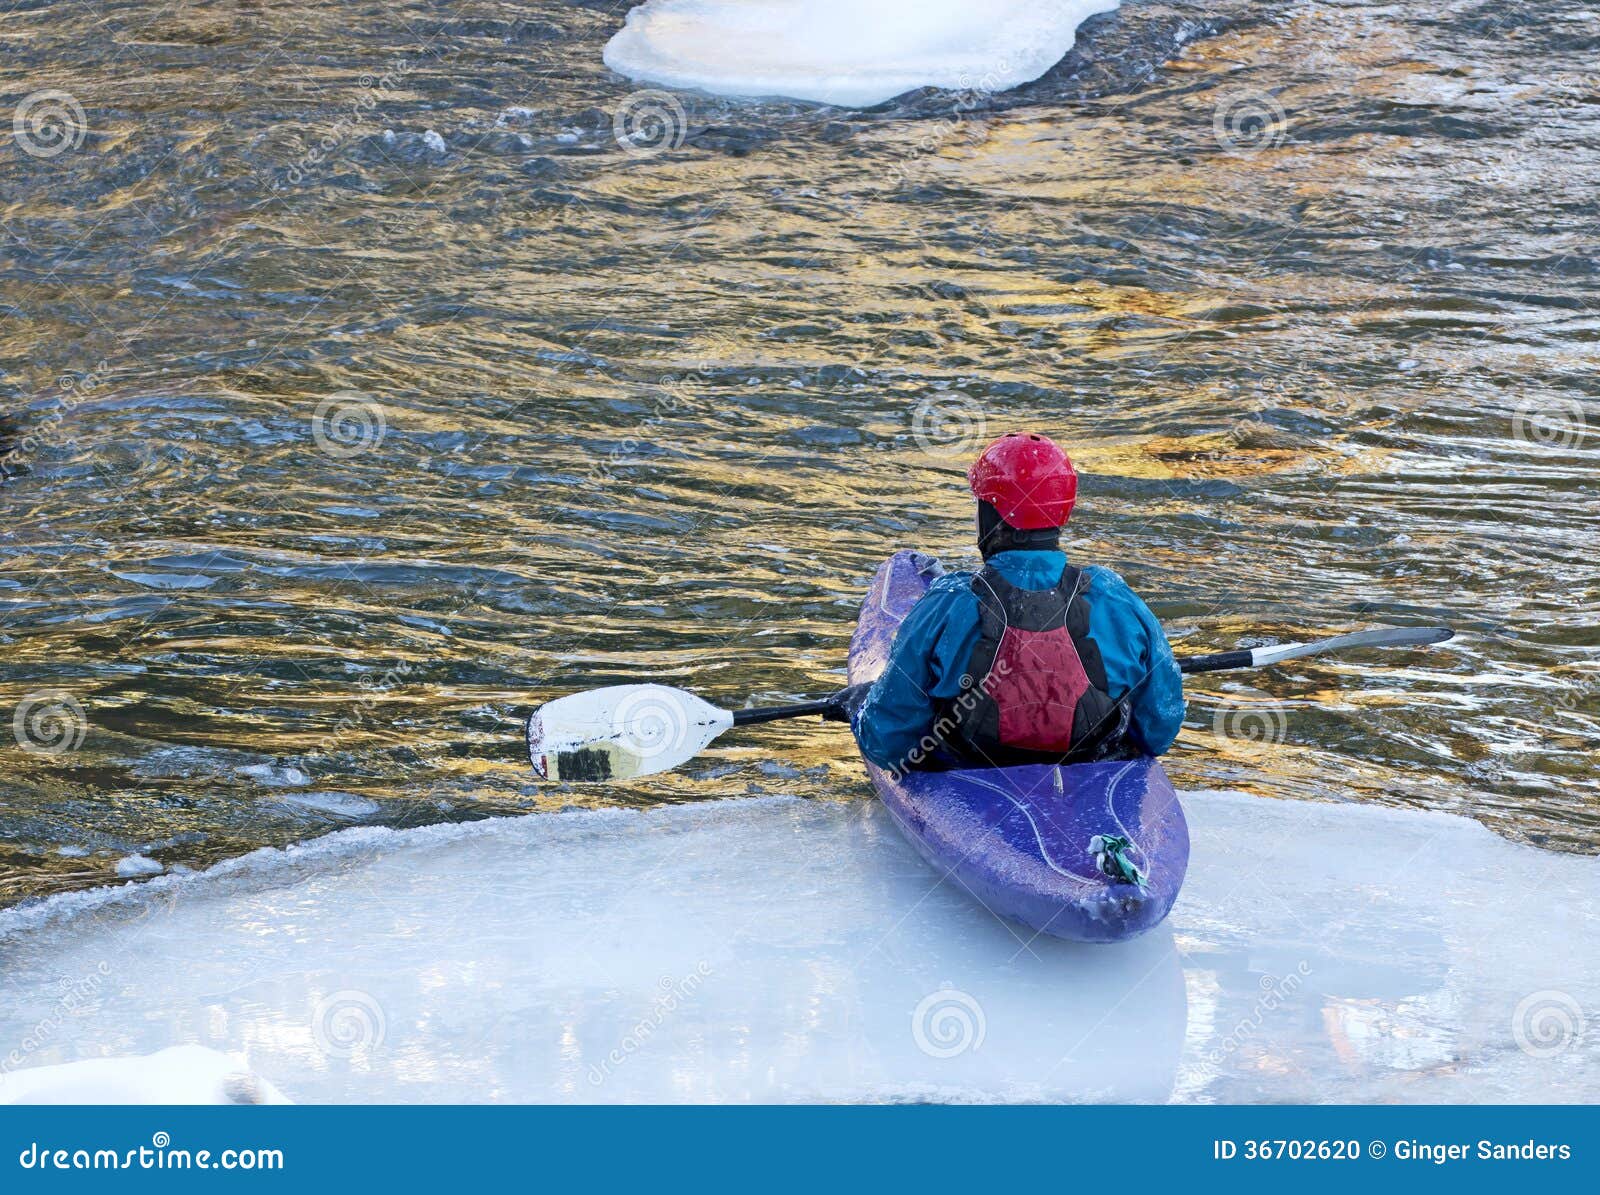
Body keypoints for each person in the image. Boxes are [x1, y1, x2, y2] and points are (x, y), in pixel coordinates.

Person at [837, 432, 1184, 773]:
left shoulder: (948, 602)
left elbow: (887, 744)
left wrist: (861, 707)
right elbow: (1159, 730)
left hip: (970, 768)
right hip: (1091, 763)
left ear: (990, 514)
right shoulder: (1115, 596)